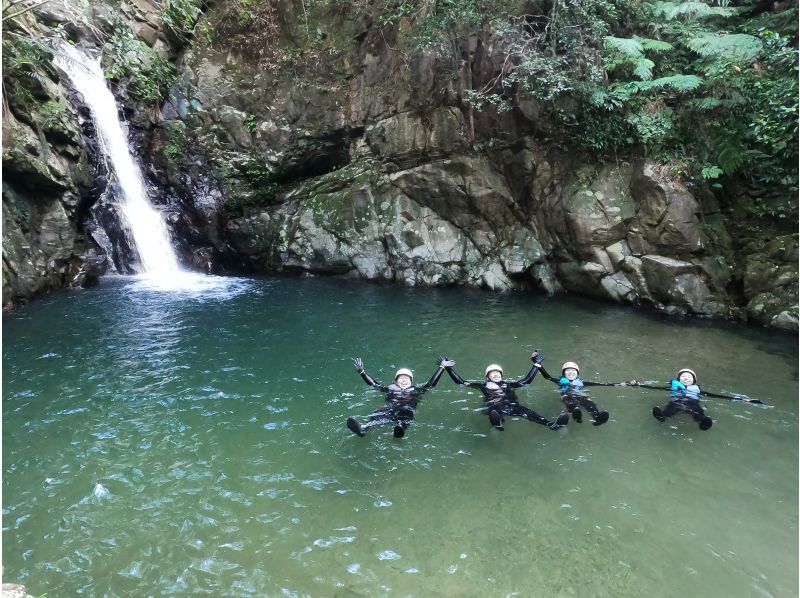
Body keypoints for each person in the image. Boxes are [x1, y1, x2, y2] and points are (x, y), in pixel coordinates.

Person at [440, 353, 569, 432]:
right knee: (494, 410)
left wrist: (537, 365)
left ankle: (550, 424)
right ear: (487, 376)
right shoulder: (482, 386)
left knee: (529, 413)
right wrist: (448, 369)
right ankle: (498, 423)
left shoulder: (509, 384)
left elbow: (526, 381)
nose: (496, 374)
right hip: (494, 406)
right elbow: (461, 382)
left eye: (498, 373)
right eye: (493, 373)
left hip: (512, 406)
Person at [346, 357, 445, 438]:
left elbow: (431, 384)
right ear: (396, 381)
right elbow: (374, 384)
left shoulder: (416, 390)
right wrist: (362, 372)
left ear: (411, 381)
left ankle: (400, 430)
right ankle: (363, 429)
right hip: (390, 411)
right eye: (401, 378)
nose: (404, 380)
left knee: (406, 416)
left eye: (406, 379)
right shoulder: (390, 389)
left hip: (406, 412)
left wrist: (442, 367)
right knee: (377, 415)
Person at [533, 359, 633, 426]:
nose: (571, 372)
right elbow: (547, 377)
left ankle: (597, 418)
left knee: (590, 404)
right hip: (568, 398)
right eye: (568, 370)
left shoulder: (583, 383)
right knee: (571, 402)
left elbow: (606, 384)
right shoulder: (560, 381)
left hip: (582, 397)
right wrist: (539, 366)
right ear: (564, 373)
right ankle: (576, 416)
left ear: (577, 373)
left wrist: (626, 384)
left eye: (573, 370)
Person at [637, 368, 714, 430]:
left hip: (692, 403)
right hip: (677, 402)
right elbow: (656, 387)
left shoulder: (697, 390)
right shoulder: (673, 387)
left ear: (693, 381)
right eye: (683, 376)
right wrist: (640, 385)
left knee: (698, 411)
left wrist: (725, 397)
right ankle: (662, 417)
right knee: (671, 408)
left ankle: (703, 422)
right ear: (678, 379)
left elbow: (711, 395)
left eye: (689, 377)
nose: (686, 378)